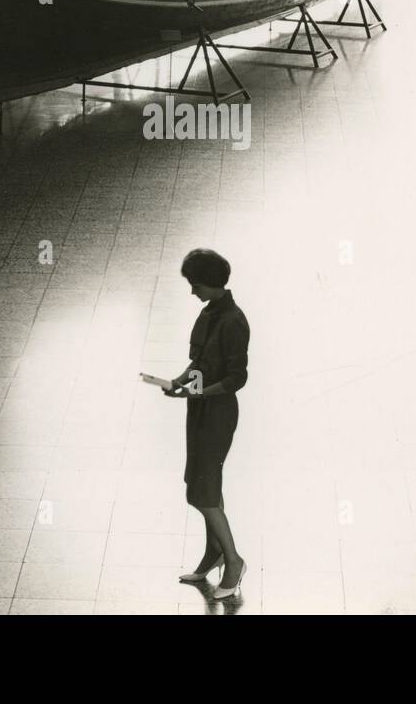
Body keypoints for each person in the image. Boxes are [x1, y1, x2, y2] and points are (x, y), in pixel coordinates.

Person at [163, 248, 248, 599]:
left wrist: (197, 393)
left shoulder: (234, 321)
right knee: (201, 483)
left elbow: (236, 378)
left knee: (203, 490)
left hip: (218, 413)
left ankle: (233, 560)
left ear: (212, 284)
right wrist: (181, 381)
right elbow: (197, 361)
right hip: (200, 409)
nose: (192, 291)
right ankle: (213, 552)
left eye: (195, 285)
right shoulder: (209, 314)